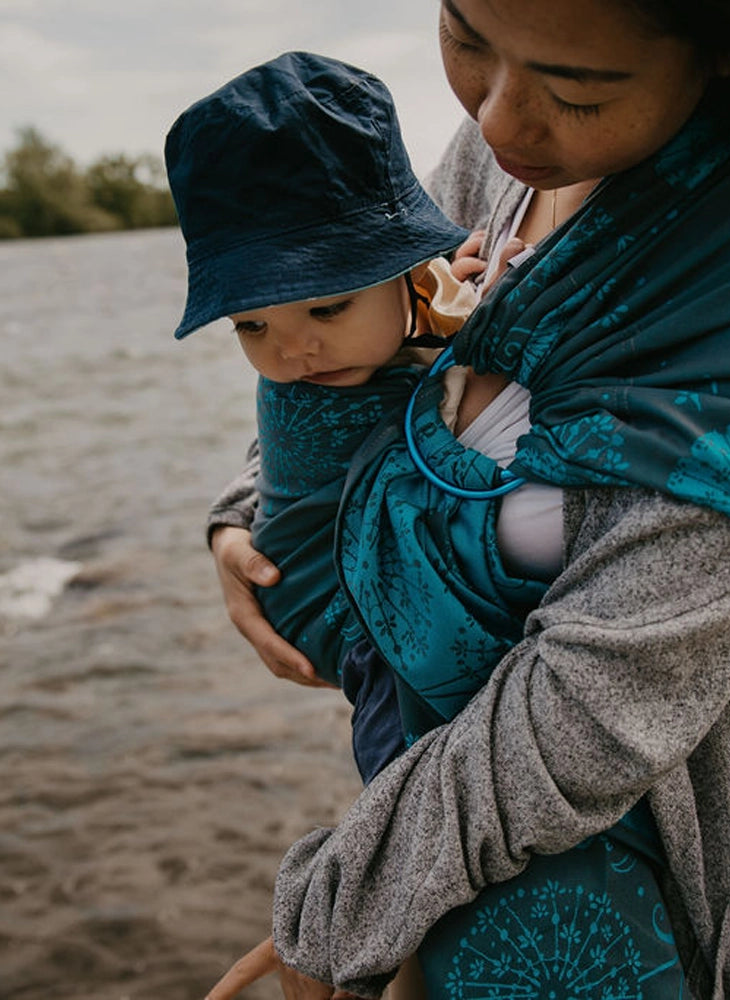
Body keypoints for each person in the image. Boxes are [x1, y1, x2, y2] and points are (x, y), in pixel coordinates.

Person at [203, 1, 730, 997]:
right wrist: (247, 509)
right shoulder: (504, 152)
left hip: (685, 883)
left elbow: (607, 696)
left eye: (575, 87)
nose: (499, 122)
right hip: (473, 823)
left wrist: (345, 904)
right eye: (466, 36)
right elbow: (363, 338)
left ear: (721, 47)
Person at [166, 52, 493, 781]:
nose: (295, 351)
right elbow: (449, 417)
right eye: (251, 326)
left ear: (411, 274)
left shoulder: (380, 333)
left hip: (347, 597)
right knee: (404, 764)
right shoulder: (309, 399)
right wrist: (476, 319)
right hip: (339, 616)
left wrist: (444, 305)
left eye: (327, 305)